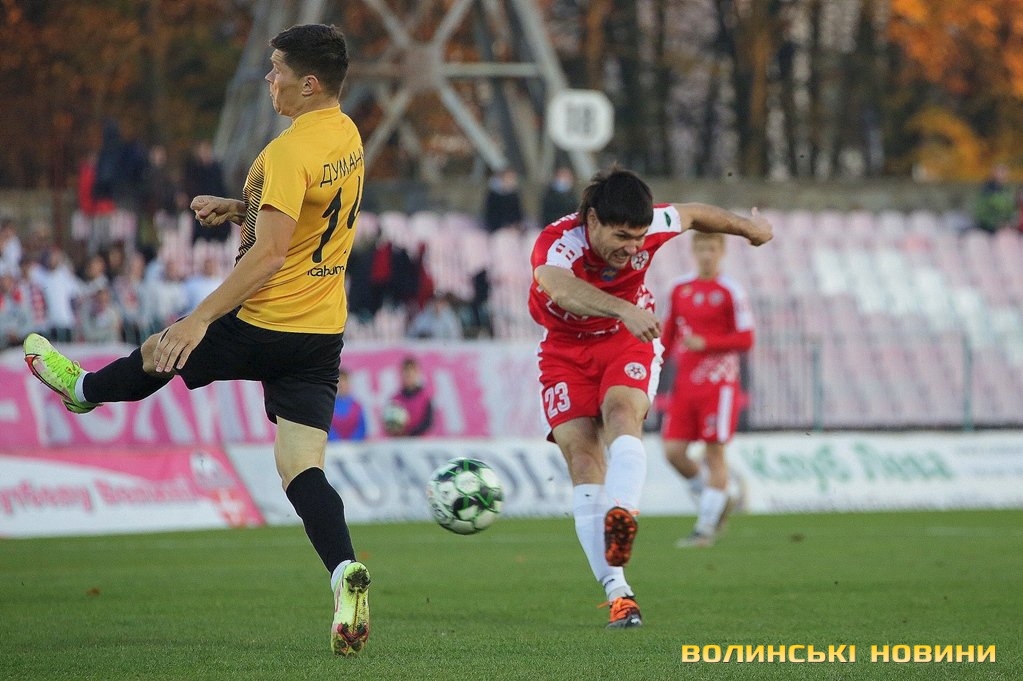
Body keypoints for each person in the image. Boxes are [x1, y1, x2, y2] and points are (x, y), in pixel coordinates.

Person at [22, 24, 371, 657]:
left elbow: (270, 255)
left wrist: (200, 318)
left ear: (308, 83)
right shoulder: (345, 135)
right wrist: (240, 206)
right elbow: (310, 216)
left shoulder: (289, 151)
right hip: (320, 332)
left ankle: (83, 389)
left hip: (266, 320)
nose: (268, 79)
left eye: (276, 70)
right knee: (301, 467)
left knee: (164, 349)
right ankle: (344, 571)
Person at [528, 165, 772, 629]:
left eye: (639, 239)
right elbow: (558, 287)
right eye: (621, 237)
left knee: (622, 412)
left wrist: (748, 228)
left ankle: (622, 510)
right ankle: (619, 594)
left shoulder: (650, 226)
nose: (632, 249)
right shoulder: (558, 243)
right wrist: (622, 306)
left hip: (626, 337)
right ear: (593, 220)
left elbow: (694, 213)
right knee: (582, 458)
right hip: (564, 350)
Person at [660, 232, 754, 548]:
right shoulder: (679, 289)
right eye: (701, 248)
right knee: (673, 452)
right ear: (693, 251)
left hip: (719, 384)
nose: (706, 255)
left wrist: (708, 343)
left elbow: (746, 338)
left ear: (721, 252)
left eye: (712, 249)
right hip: (685, 384)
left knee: (715, 454)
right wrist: (653, 369)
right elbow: (668, 335)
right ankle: (717, 499)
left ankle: (705, 528)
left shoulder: (730, 291)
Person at [383, 356, 434, 437]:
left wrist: (410, 435)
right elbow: (388, 424)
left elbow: (428, 423)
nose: (409, 375)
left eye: (411, 372)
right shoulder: (395, 400)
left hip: (420, 442)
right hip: (400, 442)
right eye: (406, 373)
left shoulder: (425, 398)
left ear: (417, 374)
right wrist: (395, 431)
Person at [973, 163, 1016, 233]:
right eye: (1001, 172)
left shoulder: (1006, 190)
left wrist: (1008, 222)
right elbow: (982, 211)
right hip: (988, 227)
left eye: (1005, 172)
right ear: (994, 173)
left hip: (1003, 226)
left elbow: (1009, 209)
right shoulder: (987, 189)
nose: (1004, 175)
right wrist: (997, 223)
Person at [329, 368, 367, 441]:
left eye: (344, 381)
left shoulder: (357, 407)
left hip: (355, 446)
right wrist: (337, 442)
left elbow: (362, 428)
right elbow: (327, 428)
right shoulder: (328, 406)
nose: (341, 384)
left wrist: (352, 442)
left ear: (349, 383)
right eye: (338, 381)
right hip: (333, 446)